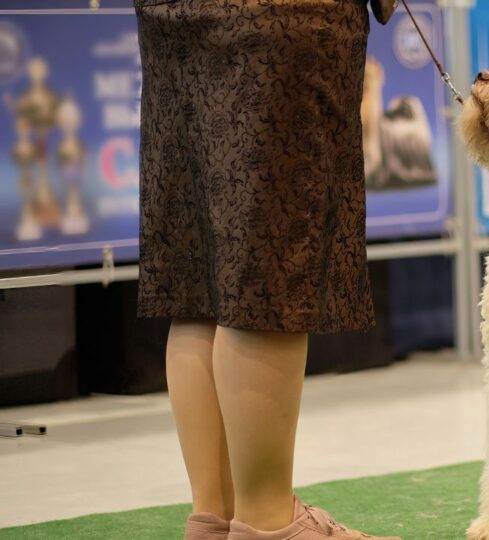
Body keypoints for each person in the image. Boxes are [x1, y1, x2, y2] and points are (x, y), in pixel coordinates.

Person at [134, 1, 400, 538]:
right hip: (282, 18)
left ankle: (215, 519)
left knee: (199, 279)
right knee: (268, 273)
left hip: (176, 18)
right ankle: (269, 524)